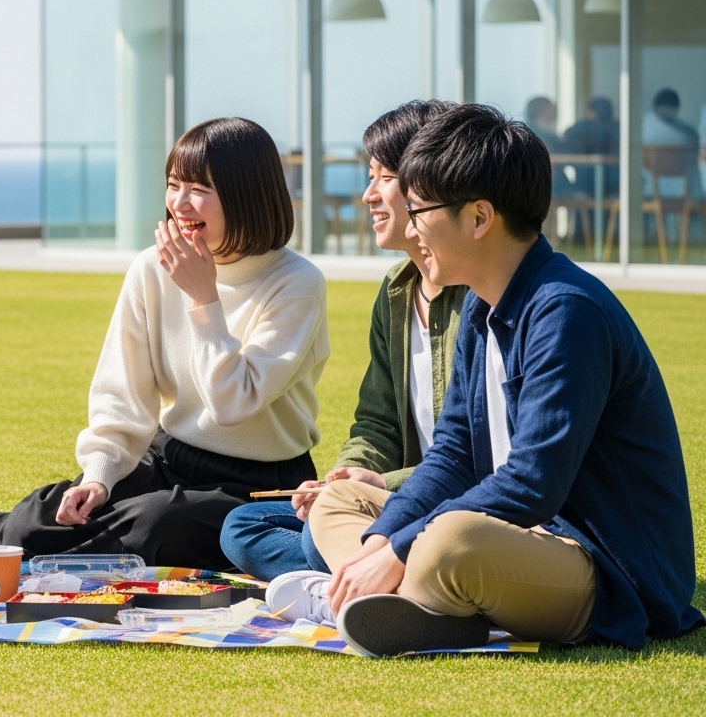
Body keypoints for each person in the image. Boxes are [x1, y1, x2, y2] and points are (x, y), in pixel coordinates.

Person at [270, 103, 704, 657]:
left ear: (479, 218)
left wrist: (399, 549)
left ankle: (384, 594)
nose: (412, 224)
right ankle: (398, 601)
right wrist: (382, 539)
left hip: (601, 565)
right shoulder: (482, 307)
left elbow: (533, 482)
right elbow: (452, 455)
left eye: (421, 208)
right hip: (515, 539)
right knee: (341, 504)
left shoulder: (566, 312)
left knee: (446, 542)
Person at [0, 117, 329, 571]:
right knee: (66, 505)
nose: (179, 203)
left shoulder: (297, 284)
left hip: (259, 480)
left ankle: (15, 539)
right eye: (173, 185)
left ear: (245, 193)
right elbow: (121, 391)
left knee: (155, 525)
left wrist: (203, 299)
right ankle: (21, 532)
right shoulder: (152, 268)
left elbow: (232, 403)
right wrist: (100, 476)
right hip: (170, 455)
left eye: (199, 188)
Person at [219, 100, 467, 582]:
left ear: (426, 181)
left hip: (447, 498)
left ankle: (351, 575)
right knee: (241, 527)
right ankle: (363, 574)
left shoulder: (480, 297)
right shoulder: (398, 291)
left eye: (382, 177)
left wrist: (377, 483)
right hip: (394, 500)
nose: (367, 195)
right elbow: (376, 422)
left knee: (318, 534)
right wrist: (344, 474)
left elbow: (478, 454)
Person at [643, 88, 703, 199]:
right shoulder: (689, 133)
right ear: (677, 109)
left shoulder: (643, 128)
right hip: (685, 191)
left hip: (650, 191)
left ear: (655, 108)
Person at [563, 96, 620, 195]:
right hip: (615, 185)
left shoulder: (578, 130)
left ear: (591, 112)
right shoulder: (619, 129)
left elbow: (567, 144)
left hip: (585, 185)